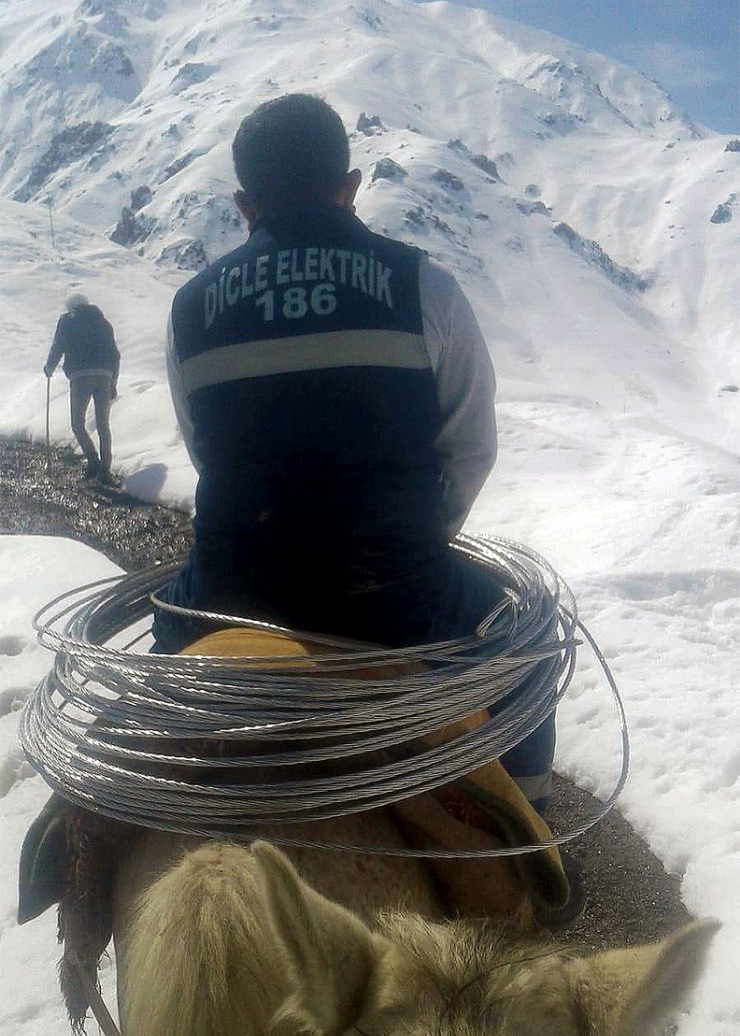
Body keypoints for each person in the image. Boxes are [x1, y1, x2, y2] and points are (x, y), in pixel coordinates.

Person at [154, 93, 554, 813]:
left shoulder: (189, 307)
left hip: (228, 597)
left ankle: (109, 807)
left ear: (245, 205)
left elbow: (206, 451)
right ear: (350, 185)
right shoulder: (422, 284)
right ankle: (535, 833)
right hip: (401, 603)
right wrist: (417, 543)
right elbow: (470, 446)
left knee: (151, 670)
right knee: (532, 638)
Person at [43, 294, 120, 482]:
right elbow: (115, 355)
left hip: (80, 377)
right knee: (103, 424)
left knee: (77, 423)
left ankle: (92, 459)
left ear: (71, 307)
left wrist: (49, 367)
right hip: (104, 377)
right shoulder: (104, 323)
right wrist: (113, 382)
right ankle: (105, 470)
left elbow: (58, 346)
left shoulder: (67, 321)